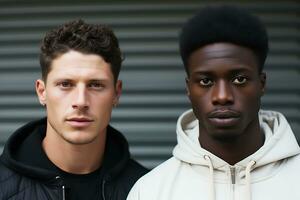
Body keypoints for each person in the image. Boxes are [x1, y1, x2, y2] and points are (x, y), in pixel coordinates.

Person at [127, 5, 300, 200]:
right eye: (206, 81)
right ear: (188, 88)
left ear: (261, 84)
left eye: (239, 79)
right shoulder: (150, 191)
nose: (222, 96)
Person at [0, 19, 148, 200]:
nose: (81, 101)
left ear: (116, 93)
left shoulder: (147, 189)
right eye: (65, 84)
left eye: (95, 85)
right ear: (42, 92)